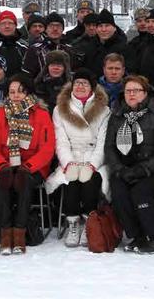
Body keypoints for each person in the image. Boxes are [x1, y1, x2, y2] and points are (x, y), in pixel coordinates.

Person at [0, 74, 56, 255]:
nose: (16, 95)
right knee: (4, 179)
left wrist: (28, 167)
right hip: (5, 163)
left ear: (29, 92)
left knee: (24, 180)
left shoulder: (41, 114)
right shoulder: (0, 113)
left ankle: (19, 234)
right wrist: (2, 166)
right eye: (12, 91)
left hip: (34, 165)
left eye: (21, 91)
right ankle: (5, 233)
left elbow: (47, 149)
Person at [105, 75, 154, 255]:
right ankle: (137, 235)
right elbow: (109, 147)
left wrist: (146, 168)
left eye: (136, 90)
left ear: (145, 93)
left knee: (140, 192)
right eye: (128, 91)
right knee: (118, 191)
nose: (131, 94)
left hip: (152, 168)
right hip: (125, 167)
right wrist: (119, 169)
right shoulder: (117, 114)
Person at [47, 69, 112, 248]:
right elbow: (60, 141)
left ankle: (88, 222)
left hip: (94, 158)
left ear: (92, 87)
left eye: (85, 83)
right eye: (77, 83)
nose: (80, 86)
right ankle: (73, 223)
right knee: (71, 180)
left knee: (91, 180)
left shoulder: (104, 110)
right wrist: (68, 163)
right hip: (71, 156)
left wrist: (92, 165)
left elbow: (102, 142)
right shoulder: (60, 109)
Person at [23, 12, 78, 78]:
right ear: (45, 29)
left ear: (63, 29)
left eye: (58, 26)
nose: (55, 29)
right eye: (51, 26)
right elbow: (27, 76)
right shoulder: (35, 50)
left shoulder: (70, 50)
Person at [75, 11, 128, 75]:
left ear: (114, 28)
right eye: (100, 26)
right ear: (96, 29)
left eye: (107, 26)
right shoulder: (90, 47)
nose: (103, 29)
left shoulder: (124, 48)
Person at [0, 11, 29, 77]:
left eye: (10, 23)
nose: (7, 26)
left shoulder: (24, 46)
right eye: (3, 23)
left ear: (15, 25)